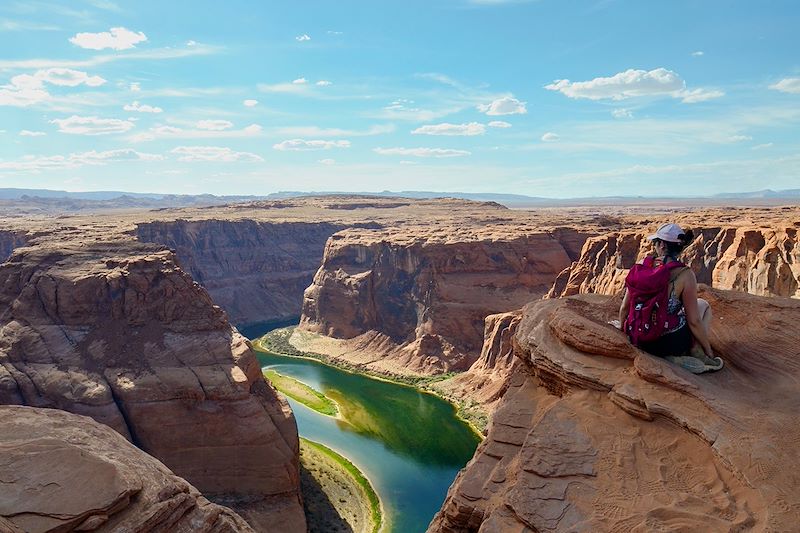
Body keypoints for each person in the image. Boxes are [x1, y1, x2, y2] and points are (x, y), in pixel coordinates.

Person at [618, 222, 723, 371]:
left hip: (639, 337)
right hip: (669, 343)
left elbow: (624, 308)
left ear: (661, 245)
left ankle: (662, 355)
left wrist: (625, 332)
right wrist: (709, 351)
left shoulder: (641, 266)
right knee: (703, 305)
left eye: (655, 242)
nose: (655, 245)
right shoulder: (685, 274)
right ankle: (697, 353)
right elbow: (694, 321)